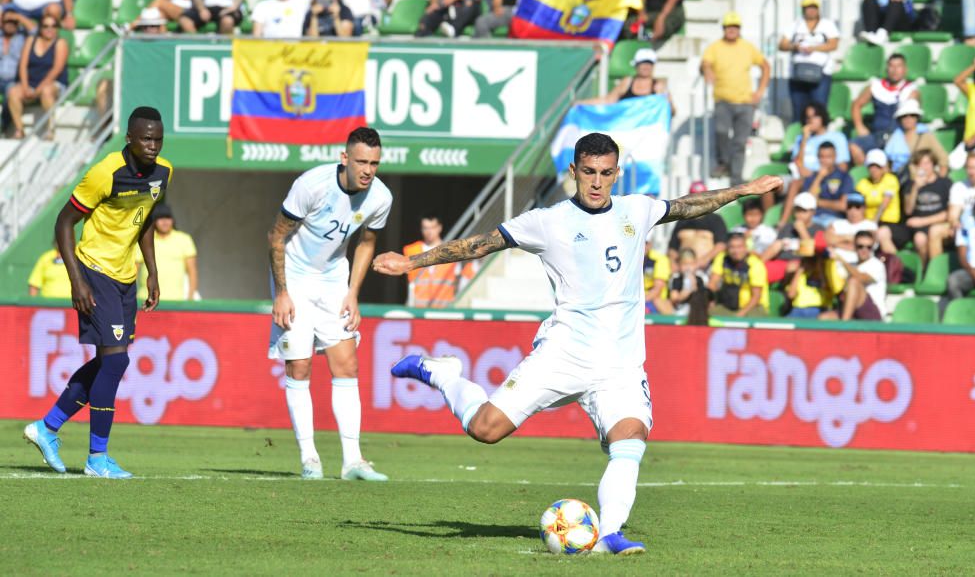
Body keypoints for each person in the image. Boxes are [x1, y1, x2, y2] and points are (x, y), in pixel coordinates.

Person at [373, 132, 782, 554]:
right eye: (588, 172)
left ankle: (609, 534)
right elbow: (478, 245)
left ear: (616, 173)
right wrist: (413, 262)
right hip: (563, 354)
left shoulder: (635, 210)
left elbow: (687, 205)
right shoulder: (547, 221)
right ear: (573, 171)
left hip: (620, 367)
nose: (597, 182)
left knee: (630, 439)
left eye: (606, 173)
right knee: (485, 429)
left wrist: (743, 190)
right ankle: (443, 374)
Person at [22, 106, 171, 479]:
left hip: (126, 276)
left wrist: (152, 271)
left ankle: (48, 427)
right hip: (95, 271)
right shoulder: (105, 172)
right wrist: (77, 280)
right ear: (129, 138)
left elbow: (146, 219)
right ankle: (97, 458)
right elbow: (64, 221)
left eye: (158, 139)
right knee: (117, 362)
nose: (152, 146)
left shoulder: (163, 172)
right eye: (146, 139)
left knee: (110, 362)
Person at [267, 127, 392, 482]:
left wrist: (353, 293)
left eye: (375, 163)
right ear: (345, 158)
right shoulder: (312, 185)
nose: (368, 170)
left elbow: (367, 242)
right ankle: (310, 459)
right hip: (293, 276)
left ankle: (353, 461)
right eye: (362, 162)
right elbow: (276, 236)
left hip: (334, 278)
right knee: (300, 368)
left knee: (347, 365)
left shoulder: (380, 197)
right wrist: (281, 292)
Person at [701, 11, 771, 185]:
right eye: (728, 27)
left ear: (739, 29)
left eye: (735, 27)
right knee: (721, 131)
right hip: (723, 100)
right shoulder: (715, 47)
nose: (731, 30)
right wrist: (708, 70)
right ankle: (724, 161)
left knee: (740, 141)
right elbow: (706, 62)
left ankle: (736, 176)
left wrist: (760, 91)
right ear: (724, 29)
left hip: (745, 102)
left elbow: (765, 65)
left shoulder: (747, 47)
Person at [778, 0, 840, 123]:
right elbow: (782, 44)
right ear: (803, 9)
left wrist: (813, 48)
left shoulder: (827, 24)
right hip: (798, 73)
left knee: (819, 110)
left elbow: (833, 44)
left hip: (821, 72)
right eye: (808, 7)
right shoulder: (795, 25)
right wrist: (795, 46)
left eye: (813, 7)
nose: (811, 10)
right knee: (799, 110)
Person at [849, 53, 919, 165]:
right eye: (891, 66)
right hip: (876, 135)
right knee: (853, 145)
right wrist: (859, 126)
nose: (894, 70)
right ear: (887, 68)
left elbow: (913, 118)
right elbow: (856, 105)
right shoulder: (876, 86)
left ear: (905, 69)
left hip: (898, 136)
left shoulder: (911, 90)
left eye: (898, 66)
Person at [6, 13, 68, 139]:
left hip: (53, 84)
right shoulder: (31, 41)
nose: (49, 29)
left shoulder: (60, 43)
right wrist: (24, 86)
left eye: (53, 25)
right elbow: (23, 65)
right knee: (13, 92)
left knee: (46, 91)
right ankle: (19, 129)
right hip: (31, 83)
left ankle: (50, 129)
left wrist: (39, 88)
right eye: (45, 26)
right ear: (40, 28)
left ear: (57, 28)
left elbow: (57, 69)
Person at [886, 149, 952, 263]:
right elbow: (908, 210)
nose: (924, 167)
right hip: (919, 228)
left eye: (927, 163)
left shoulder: (945, 183)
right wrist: (915, 188)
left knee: (933, 232)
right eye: (920, 164)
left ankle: (933, 269)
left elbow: (949, 212)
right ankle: (922, 269)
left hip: (938, 224)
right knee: (919, 239)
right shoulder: (911, 185)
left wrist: (922, 221)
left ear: (933, 164)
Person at [402, 214, 474, 308]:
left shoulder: (452, 252)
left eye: (432, 227)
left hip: (443, 311)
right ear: (421, 229)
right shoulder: (411, 251)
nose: (429, 232)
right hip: (418, 310)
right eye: (425, 228)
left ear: (439, 228)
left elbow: (458, 283)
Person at [136, 202, 197, 301]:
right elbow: (134, 269)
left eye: (168, 218)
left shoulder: (184, 239)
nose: (165, 222)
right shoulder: (145, 240)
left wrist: (190, 298)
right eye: (160, 218)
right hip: (146, 299)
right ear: (154, 221)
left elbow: (192, 271)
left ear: (173, 220)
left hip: (176, 301)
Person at [786, 140, 854, 229]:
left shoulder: (844, 177)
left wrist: (818, 202)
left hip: (834, 219)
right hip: (812, 219)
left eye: (828, 157)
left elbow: (842, 205)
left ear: (835, 157)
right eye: (821, 157)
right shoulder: (812, 177)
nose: (824, 160)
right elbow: (808, 202)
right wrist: (819, 177)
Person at [579, 47, 673, 111]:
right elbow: (608, 101)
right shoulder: (627, 82)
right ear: (636, 65)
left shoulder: (659, 86)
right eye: (643, 63)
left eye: (649, 63)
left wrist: (666, 99)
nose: (646, 66)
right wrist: (581, 103)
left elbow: (672, 112)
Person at [883, 99, 950, 180]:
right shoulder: (894, 137)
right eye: (904, 116)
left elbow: (943, 158)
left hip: (923, 181)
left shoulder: (926, 135)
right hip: (899, 180)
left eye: (912, 115)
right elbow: (887, 164)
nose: (908, 118)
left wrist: (940, 181)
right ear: (899, 119)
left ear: (917, 117)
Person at [763, 192, 823, 282]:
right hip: (780, 262)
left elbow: (812, 254)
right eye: (797, 210)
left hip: (802, 266)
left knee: (792, 266)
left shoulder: (818, 230)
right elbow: (776, 249)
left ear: (813, 212)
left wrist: (802, 231)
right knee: (758, 270)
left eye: (804, 211)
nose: (799, 214)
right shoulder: (787, 227)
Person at [667, 180, 727, 269]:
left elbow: (721, 245)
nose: (698, 200)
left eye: (701, 197)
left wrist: (704, 260)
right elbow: (672, 248)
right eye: (694, 197)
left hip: (708, 268)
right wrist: (674, 263)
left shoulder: (715, 220)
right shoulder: (681, 220)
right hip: (683, 268)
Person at [709, 230, 770, 318]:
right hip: (728, 306)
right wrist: (710, 300)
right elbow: (712, 284)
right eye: (732, 247)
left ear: (746, 248)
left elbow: (756, 297)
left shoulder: (755, 264)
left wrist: (740, 314)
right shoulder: (722, 258)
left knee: (750, 321)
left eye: (739, 247)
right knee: (708, 315)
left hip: (753, 307)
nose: (736, 251)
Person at [831, 230, 886, 321]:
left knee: (853, 281)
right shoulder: (852, 265)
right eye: (860, 246)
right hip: (853, 311)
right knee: (824, 318)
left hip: (874, 314)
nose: (864, 250)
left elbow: (860, 278)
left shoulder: (877, 265)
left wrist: (841, 260)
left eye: (869, 247)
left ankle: (843, 327)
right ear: (854, 247)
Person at [785, 254, 832, 319]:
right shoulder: (801, 276)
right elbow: (791, 295)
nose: (812, 263)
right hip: (798, 310)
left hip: (819, 310)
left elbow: (827, 288)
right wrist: (800, 270)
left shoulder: (826, 276)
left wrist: (820, 268)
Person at [667, 247, 707, 317]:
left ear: (695, 264)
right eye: (684, 264)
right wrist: (685, 292)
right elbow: (674, 298)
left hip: (696, 310)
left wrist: (694, 286)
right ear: (679, 265)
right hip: (679, 309)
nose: (688, 267)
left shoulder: (700, 279)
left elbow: (703, 299)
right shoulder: (676, 279)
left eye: (691, 264)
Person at [0, 9, 30, 100]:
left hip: (14, 81)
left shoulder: (23, 37)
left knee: (11, 94)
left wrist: (18, 17)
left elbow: (36, 30)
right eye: (7, 21)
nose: (10, 24)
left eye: (14, 22)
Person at [643, 236, 672, 314]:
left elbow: (657, 289)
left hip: (652, 301)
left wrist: (639, 302)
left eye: (645, 243)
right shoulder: (632, 258)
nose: (642, 246)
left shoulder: (659, 259)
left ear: (650, 244)